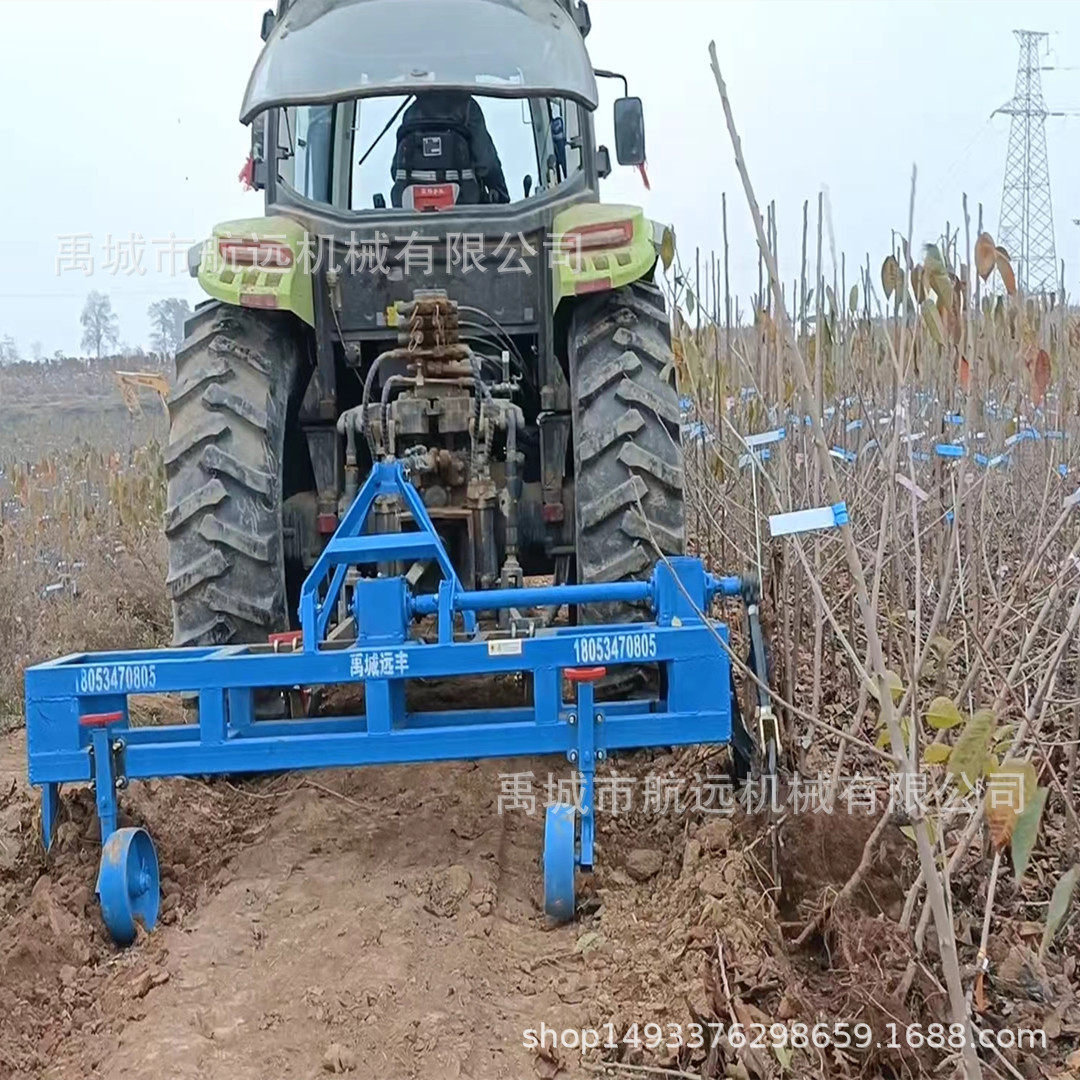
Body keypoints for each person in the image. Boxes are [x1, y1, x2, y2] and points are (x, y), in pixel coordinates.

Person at [391, 91, 510, 206]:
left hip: (415, 213)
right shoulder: (468, 108)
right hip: (465, 207)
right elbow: (485, 163)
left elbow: (396, 171)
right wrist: (502, 196)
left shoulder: (412, 112)